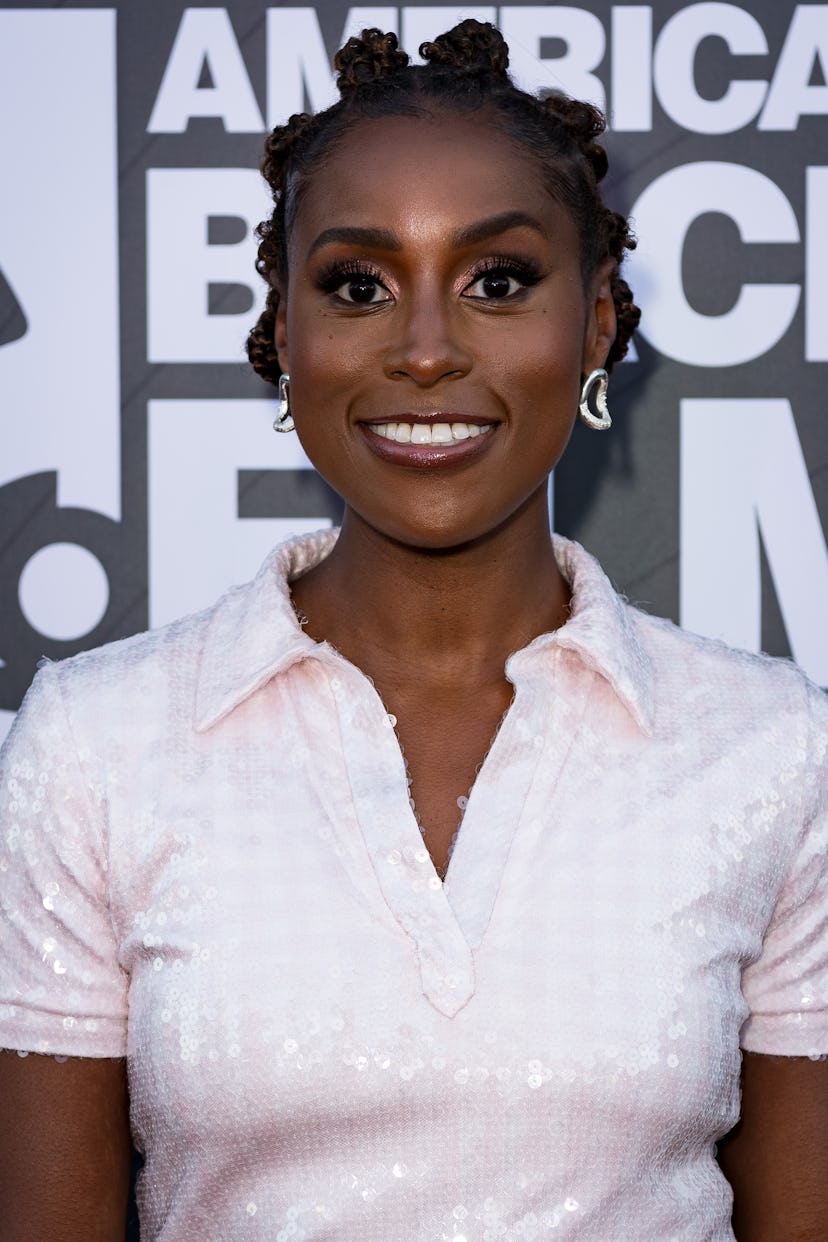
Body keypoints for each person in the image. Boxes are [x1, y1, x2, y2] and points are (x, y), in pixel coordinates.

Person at [1, 19, 826, 1241]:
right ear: (286, 336)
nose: (429, 350)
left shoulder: (774, 751)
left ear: (597, 325)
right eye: (357, 285)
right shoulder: (97, 743)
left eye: (498, 282)